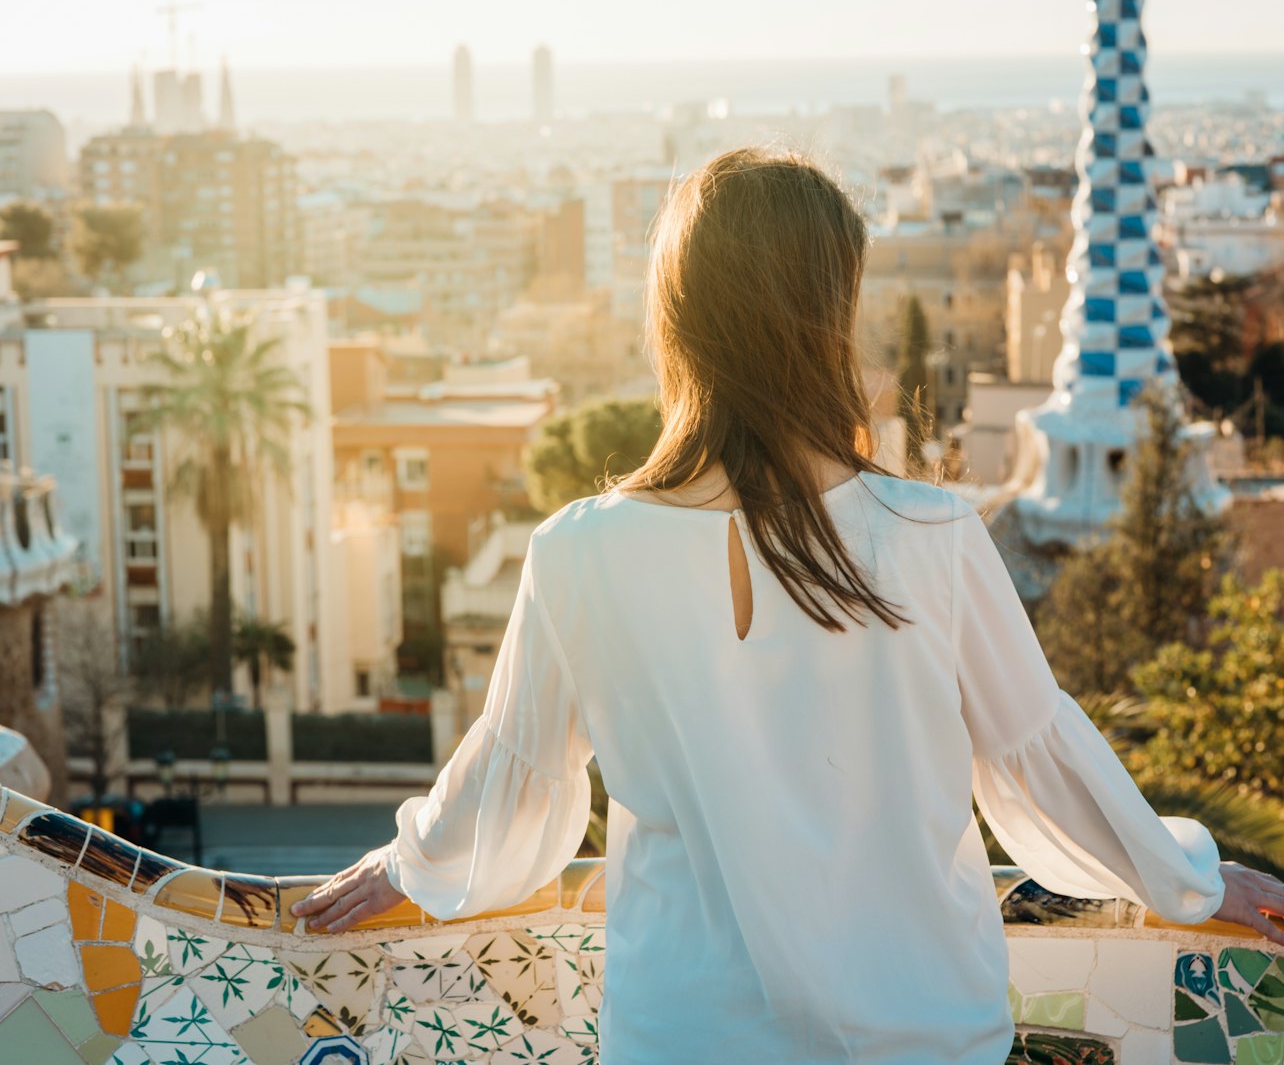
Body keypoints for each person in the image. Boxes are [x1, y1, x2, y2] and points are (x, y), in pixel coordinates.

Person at [293, 149, 1284, 1063]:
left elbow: (513, 784)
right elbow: (1037, 765)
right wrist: (1190, 884)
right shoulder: (930, 533)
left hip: (681, 1036)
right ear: (830, 312)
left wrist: (412, 865)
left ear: (678, 315)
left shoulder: (578, 553)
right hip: (921, 1036)